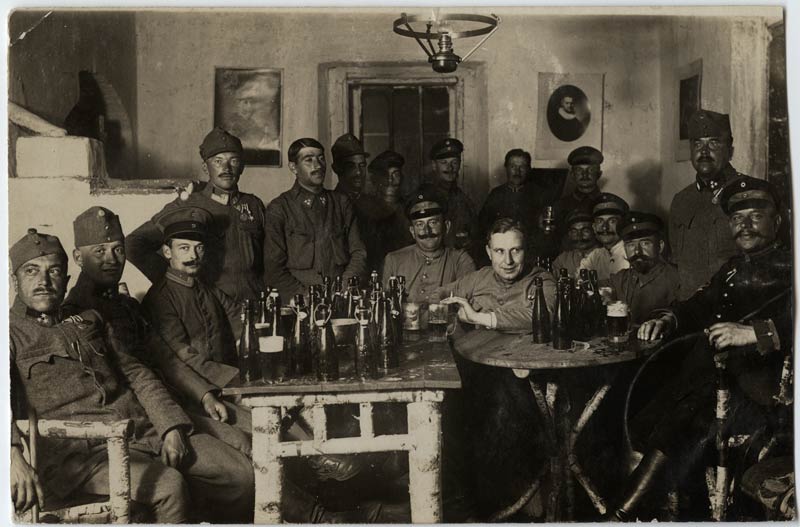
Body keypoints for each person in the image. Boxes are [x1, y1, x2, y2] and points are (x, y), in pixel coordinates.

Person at [8, 229, 254, 524]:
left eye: (54, 272)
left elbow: (138, 373)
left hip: (141, 432)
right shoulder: (9, 333)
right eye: (32, 271)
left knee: (240, 474)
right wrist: (11, 455)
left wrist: (170, 426)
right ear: (14, 280)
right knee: (168, 488)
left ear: (66, 280)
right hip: (81, 455)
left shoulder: (89, 319)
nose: (44, 282)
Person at [608, 176, 792, 521]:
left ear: (777, 221)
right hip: (713, 381)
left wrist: (754, 333)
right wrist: (667, 319)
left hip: (763, 393)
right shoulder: (733, 269)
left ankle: (622, 514)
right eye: (738, 218)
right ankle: (644, 511)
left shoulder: (792, 267)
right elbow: (696, 306)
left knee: (682, 417)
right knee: (644, 406)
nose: (745, 225)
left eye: (755, 215)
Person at [62, 206, 249, 453]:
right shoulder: (73, 314)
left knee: (249, 438)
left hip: (172, 401)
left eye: (118, 250)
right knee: (242, 453)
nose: (112, 259)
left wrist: (204, 395)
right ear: (78, 258)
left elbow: (165, 358)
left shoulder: (127, 305)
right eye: (100, 251)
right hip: (138, 419)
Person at [438, 218, 557, 519]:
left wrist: (480, 317)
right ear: (489, 252)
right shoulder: (477, 279)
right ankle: (465, 504)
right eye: (500, 251)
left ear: (525, 251)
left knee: (500, 414)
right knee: (447, 415)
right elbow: (437, 296)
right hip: (473, 373)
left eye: (515, 251)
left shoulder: (542, 280)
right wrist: (441, 308)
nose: (508, 260)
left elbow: (541, 312)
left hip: (521, 378)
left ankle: (510, 505)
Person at [141, 206, 253, 433]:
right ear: (167, 252)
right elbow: (184, 357)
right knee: (269, 427)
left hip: (228, 386)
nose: (193, 257)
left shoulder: (206, 288)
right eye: (184, 248)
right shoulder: (161, 298)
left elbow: (239, 319)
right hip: (193, 397)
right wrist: (235, 380)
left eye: (199, 248)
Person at [126, 128, 268, 303]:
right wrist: (175, 282)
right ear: (205, 168)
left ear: (242, 167)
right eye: (218, 161)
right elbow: (133, 244)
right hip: (211, 305)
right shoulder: (188, 205)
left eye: (234, 160)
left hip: (253, 303)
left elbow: (268, 259)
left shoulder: (254, 205)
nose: (226, 168)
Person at [264, 137, 367, 299]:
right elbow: (273, 269)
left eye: (321, 158)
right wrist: (307, 296)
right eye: (308, 160)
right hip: (299, 304)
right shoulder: (279, 208)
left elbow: (359, 252)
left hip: (341, 299)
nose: (317, 166)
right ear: (293, 167)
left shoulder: (341, 203)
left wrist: (343, 289)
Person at [669, 110, 742, 299]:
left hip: (734, 312)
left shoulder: (750, 193)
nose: (704, 151)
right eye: (697, 143)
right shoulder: (681, 200)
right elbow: (676, 264)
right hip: (690, 314)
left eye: (714, 143)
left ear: (730, 149)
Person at [382, 185, 476, 304]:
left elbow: (468, 307)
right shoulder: (394, 261)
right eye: (420, 224)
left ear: (446, 227)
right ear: (412, 231)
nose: (427, 231)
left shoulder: (461, 261)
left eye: (433, 222)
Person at [477, 148, 562, 265]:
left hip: (531, 254)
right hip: (504, 254)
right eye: (513, 166)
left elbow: (549, 230)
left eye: (522, 167)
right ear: (506, 168)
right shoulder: (496, 194)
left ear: (529, 169)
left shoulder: (540, 194)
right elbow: (482, 228)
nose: (517, 171)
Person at [602, 211, 680, 324]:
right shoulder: (622, 278)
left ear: (660, 246)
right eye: (631, 245)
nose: (637, 251)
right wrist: (604, 294)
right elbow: (596, 286)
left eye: (645, 243)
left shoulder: (676, 277)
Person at [357, 150, 413, 272]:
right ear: (375, 181)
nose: (390, 180)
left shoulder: (410, 208)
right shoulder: (364, 210)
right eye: (384, 175)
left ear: (402, 177)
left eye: (395, 174)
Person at [427, 137, 478, 253]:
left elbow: (474, 236)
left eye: (454, 162)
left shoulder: (464, 200)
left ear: (459, 165)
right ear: (434, 166)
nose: (450, 168)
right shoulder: (426, 197)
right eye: (444, 163)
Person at [552, 145, 604, 233]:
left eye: (590, 170)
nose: (585, 175)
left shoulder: (608, 204)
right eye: (579, 170)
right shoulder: (560, 206)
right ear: (572, 175)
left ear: (599, 174)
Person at [578, 193, 630, 280]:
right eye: (600, 221)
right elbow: (580, 280)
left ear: (623, 226)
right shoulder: (595, 256)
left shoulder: (631, 253)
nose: (605, 227)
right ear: (594, 228)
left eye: (612, 221)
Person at [551, 210, 598, 277]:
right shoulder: (563, 259)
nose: (579, 236)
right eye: (574, 231)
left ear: (594, 231)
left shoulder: (605, 256)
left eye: (585, 231)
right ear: (569, 234)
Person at [332, 132, 369, 203]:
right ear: (336, 168)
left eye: (362, 165)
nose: (358, 172)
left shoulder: (372, 204)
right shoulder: (330, 204)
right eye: (351, 166)